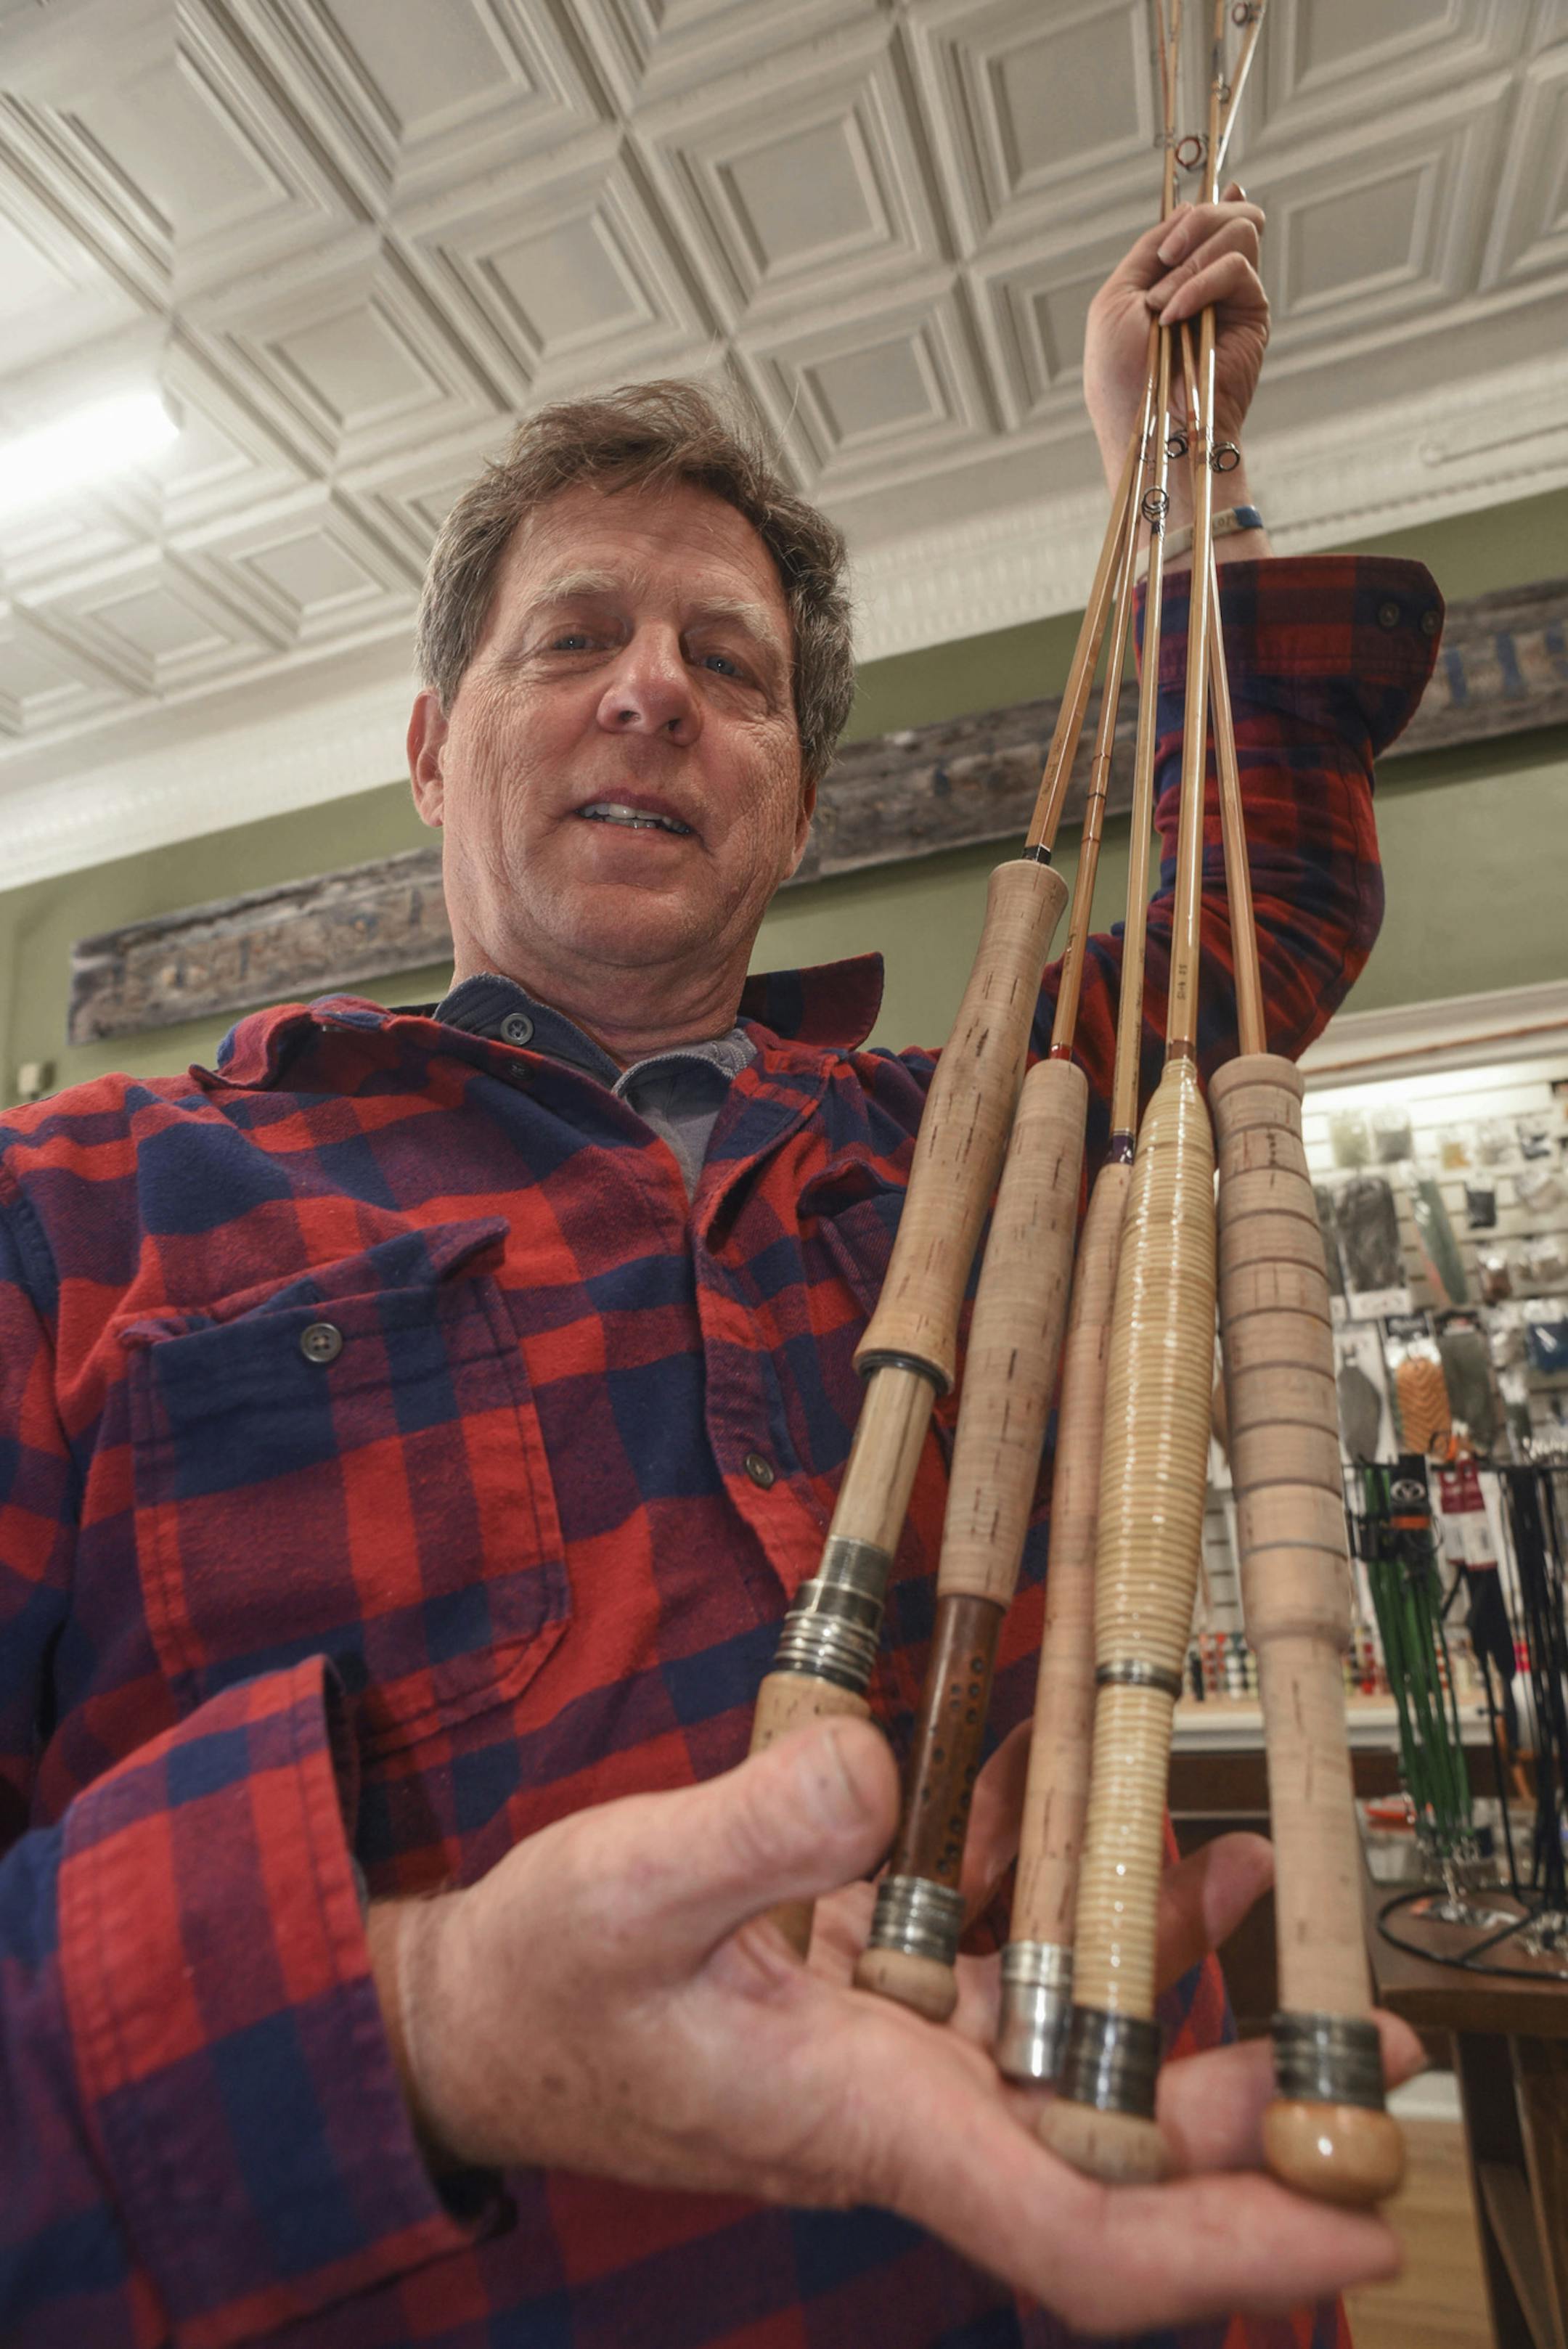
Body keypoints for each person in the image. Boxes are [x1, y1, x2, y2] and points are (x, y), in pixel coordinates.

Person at [0, 197, 1441, 2348]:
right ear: (428, 749)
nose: (655, 690)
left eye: (730, 667)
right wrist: (430, 2016)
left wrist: (1183, 480)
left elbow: (1277, 896)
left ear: (790, 802)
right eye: (574, 638)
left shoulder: (961, 1119)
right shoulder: (81, 1211)